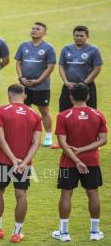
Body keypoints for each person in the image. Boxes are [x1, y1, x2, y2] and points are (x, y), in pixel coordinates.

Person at [52, 83, 107, 242]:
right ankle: (95, 232)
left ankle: (64, 233)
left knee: (66, 194)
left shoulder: (63, 116)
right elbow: (103, 140)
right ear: (88, 96)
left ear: (70, 97)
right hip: (92, 161)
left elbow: (62, 143)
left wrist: (76, 158)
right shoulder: (98, 114)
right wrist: (84, 151)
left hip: (68, 162)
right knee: (93, 193)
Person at [0, 84, 42, 242]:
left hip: (3, 160)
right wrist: (24, 162)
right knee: (21, 195)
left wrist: (12, 159)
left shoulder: (1, 110)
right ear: (25, 96)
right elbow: (36, 143)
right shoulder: (34, 114)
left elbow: (1, 138)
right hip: (24, 164)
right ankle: (17, 233)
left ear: (9, 95)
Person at [16, 22, 56, 147]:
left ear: (44, 33)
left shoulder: (49, 48)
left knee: (43, 110)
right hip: (24, 84)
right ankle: (27, 134)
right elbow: (18, 62)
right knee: (25, 110)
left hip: (41, 86)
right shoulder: (23, 46)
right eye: (33, 28)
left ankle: (48, 135)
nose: (34, 30)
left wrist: (38, 80)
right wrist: (21, 77)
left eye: (38, 29)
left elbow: (50, 67)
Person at [58, 26, 103, 112]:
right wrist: (66, 82)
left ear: (87, 36)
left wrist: (84, 83)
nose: (78, 38)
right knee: (64, 112)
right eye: (76, 35)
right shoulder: (66, 49)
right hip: (69, 87)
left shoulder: (94, 50)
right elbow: (61, 66)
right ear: (73, 36)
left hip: (87, 87)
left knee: (89, 113)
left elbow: (97, 69)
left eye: (82, 36)